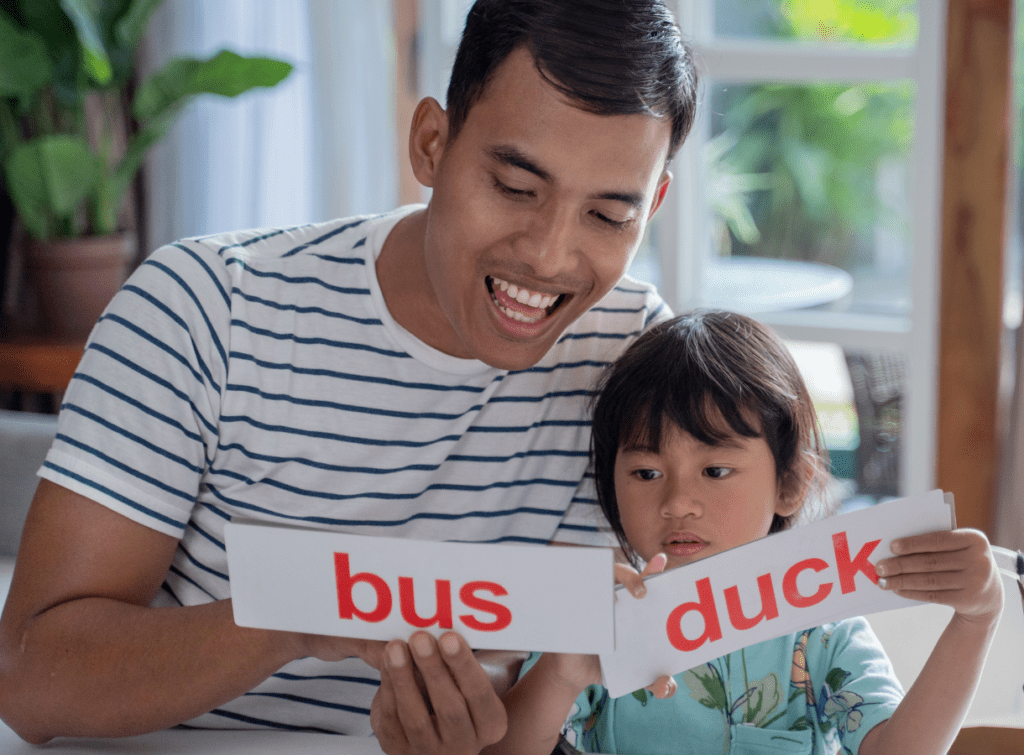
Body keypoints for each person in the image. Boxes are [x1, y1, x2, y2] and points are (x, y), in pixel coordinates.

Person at [0, 1, 698, 753]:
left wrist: (487, 698)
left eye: (607, 216)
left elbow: (570, 670)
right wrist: (303, 612)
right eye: (515, 187)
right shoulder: (206, 306)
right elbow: (29, 682)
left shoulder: (633, 355)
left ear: (653, 206)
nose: (549, 255)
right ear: (431, 143)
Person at [488, 310, 1004, 755]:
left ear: (790, 484)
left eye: (715, 471)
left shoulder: (821, 629)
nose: (677, 503)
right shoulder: (599, 622)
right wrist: (560, 674)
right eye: (646, 473)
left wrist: (976, 620)